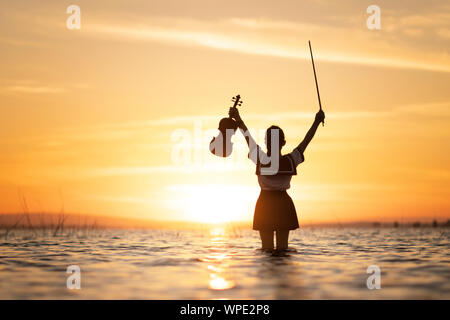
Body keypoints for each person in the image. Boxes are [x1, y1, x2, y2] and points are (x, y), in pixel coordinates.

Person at [229, 107, 325, 252]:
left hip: (264, 204)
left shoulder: (260, 158)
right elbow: (306, 141)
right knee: (283, 250)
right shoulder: (291, 160)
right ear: (283, 143)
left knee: (266, 249)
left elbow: (247, 136)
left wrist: (238, 118)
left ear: (266, 143)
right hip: (283, 203)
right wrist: (317, 122)